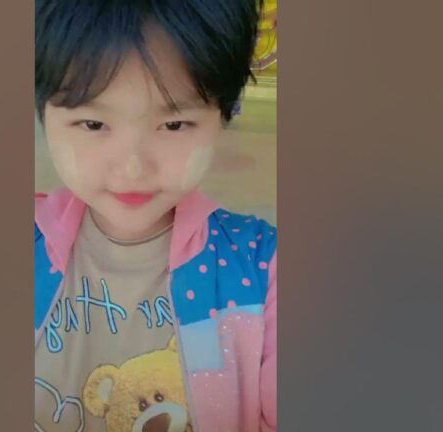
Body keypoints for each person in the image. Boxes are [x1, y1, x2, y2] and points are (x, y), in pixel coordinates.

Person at [34, 1, 277, 431]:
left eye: (174, 125)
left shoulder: (264, 268)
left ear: (222, 115)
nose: (132, 170)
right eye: (93, 125)